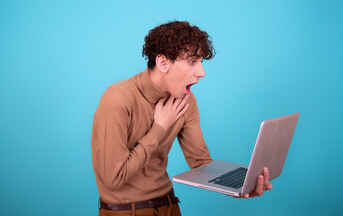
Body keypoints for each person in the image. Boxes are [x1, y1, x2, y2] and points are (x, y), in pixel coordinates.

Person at [91, 21, 273, 216]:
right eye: (192, 61)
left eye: (201, 62)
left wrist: (239, 186)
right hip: (126, 212)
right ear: (163, 63)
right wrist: (159, 128)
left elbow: (201, 163)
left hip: (170, 207)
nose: (202, 73)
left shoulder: (186, 100)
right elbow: (114, 178)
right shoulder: (117, 99)